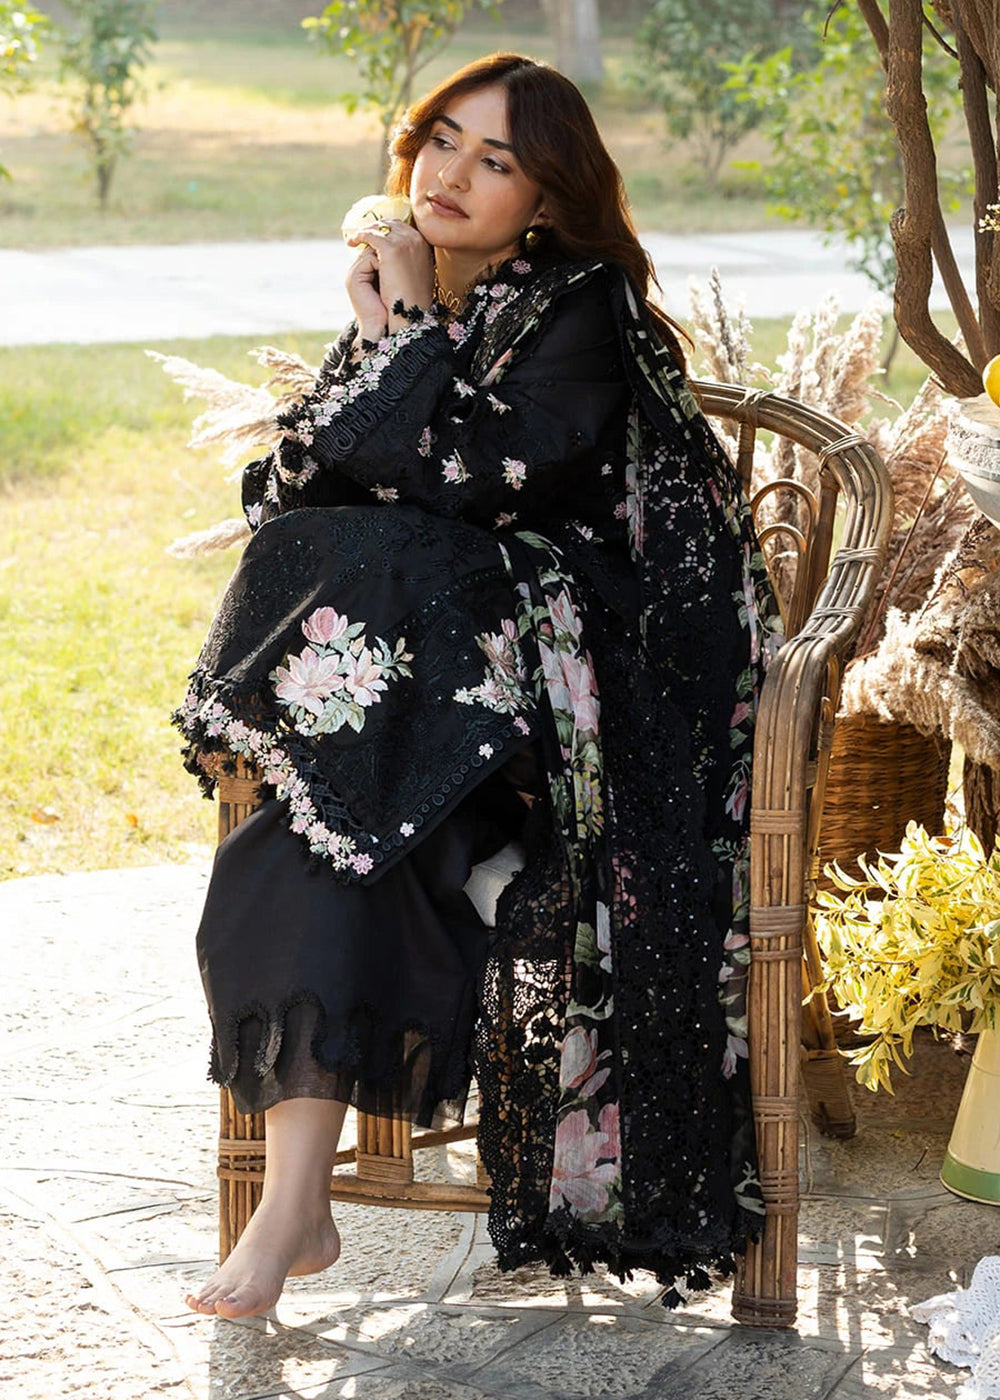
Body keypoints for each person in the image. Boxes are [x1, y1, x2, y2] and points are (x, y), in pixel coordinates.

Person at [176, 52, 783, 1320]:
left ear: (546, 198)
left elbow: (468, 482)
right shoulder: (422, 297)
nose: (448, 173)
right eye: (441, 139)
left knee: (388, 566)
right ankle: (298, 1207)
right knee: (306, 845)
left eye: (494, 159)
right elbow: (292, 487)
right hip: (422, 714)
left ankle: (483, 837)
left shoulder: (580, 310)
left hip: (575, 699)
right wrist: (383, 330)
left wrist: (403, 330)